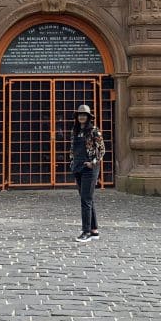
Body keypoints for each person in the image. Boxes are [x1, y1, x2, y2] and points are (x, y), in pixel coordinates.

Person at [70, 104, 105, 243]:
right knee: (87, 199)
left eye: (84, 115)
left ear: (89, 117)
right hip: (78, 167)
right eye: (80, 115)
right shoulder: (75, 130)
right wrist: (72, 162)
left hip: (90, 168)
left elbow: (102, 150)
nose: (82, 117)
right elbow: (72, 148)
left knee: (86, 199)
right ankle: (94, 229)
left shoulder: (94, 131)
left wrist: (93, 162)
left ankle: (86, 232)